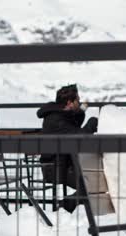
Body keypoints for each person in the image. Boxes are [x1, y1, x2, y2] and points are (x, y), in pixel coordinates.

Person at [37, 84, 97, 213]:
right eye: (78, 100)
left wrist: (81, 109)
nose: (80, 102)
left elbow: (74, 125)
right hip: (54, 169)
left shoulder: (61, 114)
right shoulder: (56, 119)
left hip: (63, 164)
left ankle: (69, 205)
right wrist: (93, 121)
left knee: (94, 181)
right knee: (90, 184)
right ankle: (65, 205)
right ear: (70, 102)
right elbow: (80, 135)